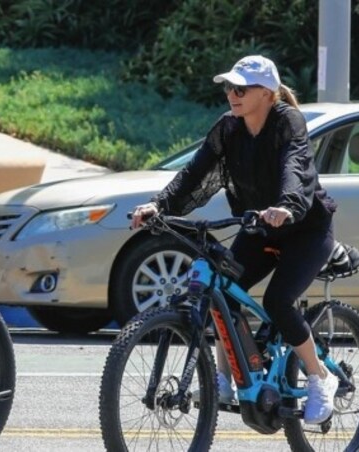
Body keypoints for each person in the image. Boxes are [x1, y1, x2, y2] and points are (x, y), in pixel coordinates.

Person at [131, 55, 338, 425]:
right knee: (222, 292)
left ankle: (321, 377)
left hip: (305, 230)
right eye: (229, 87)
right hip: (260, 228)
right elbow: (194, 173)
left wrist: (287, 206)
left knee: (277, 301)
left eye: (241, 88)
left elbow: (296, 166)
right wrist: (158, 204)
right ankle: (225, 380)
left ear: (267, 93)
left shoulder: (287, 121)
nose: (232, 94)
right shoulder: (229, 128)